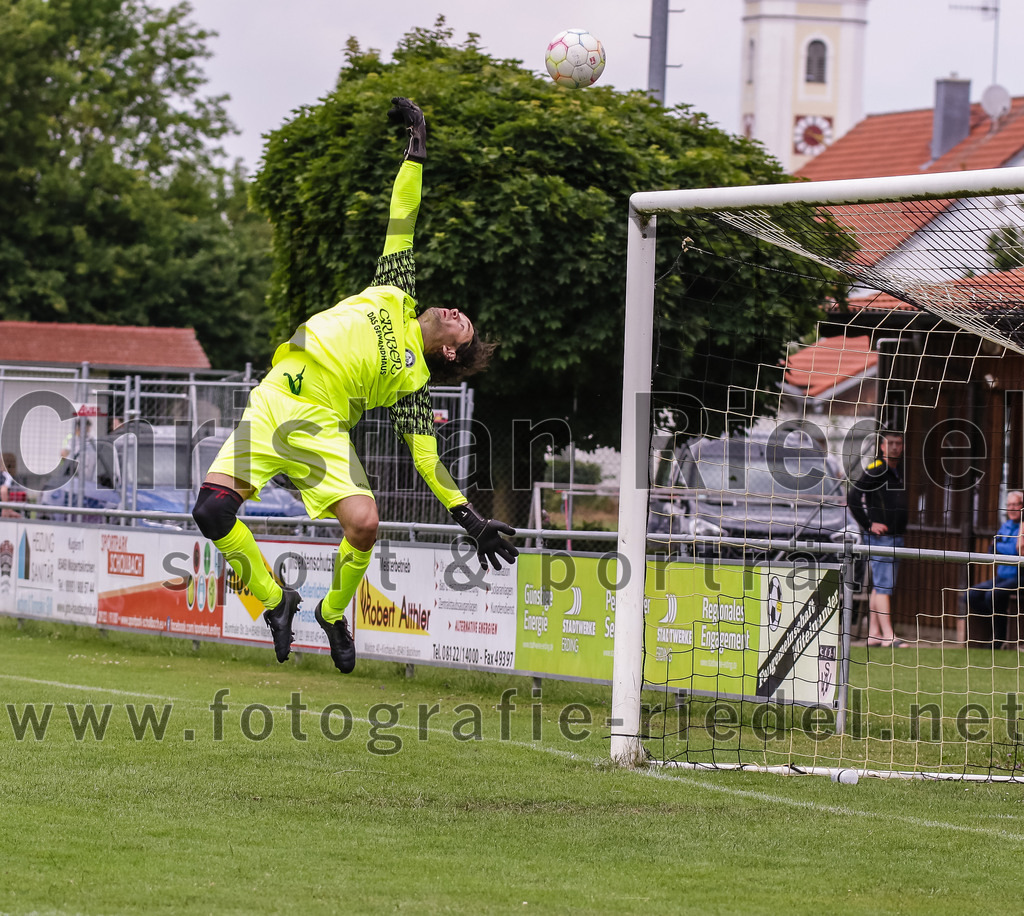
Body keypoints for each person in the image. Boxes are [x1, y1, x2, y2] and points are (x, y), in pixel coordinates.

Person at [191, 98, 518, 674]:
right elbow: (402, 215)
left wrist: (468, 516)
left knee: (365, 524)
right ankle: (277, 601)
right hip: (274, 397)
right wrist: (416, 150)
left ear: (448, 350)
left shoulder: (413, 380)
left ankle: (334, 611)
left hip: (317, 422)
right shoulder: (394, 288)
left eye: (461, 325)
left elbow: (426, 456)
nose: (456, 311)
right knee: (211, 514)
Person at [848, 430, 909, 648]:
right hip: (882, 538)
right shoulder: (878, 468)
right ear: (882, 447)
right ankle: (889, 636)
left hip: (894, 537)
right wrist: (868, 524)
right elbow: (853, 496)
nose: (895, 447)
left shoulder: (896, 470)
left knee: (879, 586)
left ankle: (874, 634)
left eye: (898, 443)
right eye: (890, 443)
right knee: (884, 587)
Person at [966, 490, 1024, 646]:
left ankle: (1000, 638)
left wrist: (1001, 546)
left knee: (994, 595)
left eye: (1015, 504)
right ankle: (999, 622)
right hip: (1002, 576)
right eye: (1009, 505)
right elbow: (991, 549)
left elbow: (1016, 550)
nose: (1012, 508)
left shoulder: (1022, 527)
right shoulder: (1006, 525)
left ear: (1022, 506)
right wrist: (1004, 547)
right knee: (971, 595)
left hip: (1019, 576)